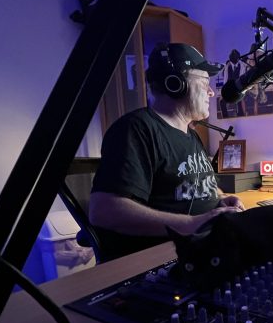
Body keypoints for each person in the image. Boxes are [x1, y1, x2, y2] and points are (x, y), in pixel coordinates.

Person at [89, 43, 245, 261]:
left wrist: (221, 199)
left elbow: (195, 186)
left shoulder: (190, 134)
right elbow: (103, 210)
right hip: (170, 257)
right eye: (204, 82)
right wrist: (192, 224)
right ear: (175, 84)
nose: (211, 92)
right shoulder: (136, 129)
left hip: (206, 244)